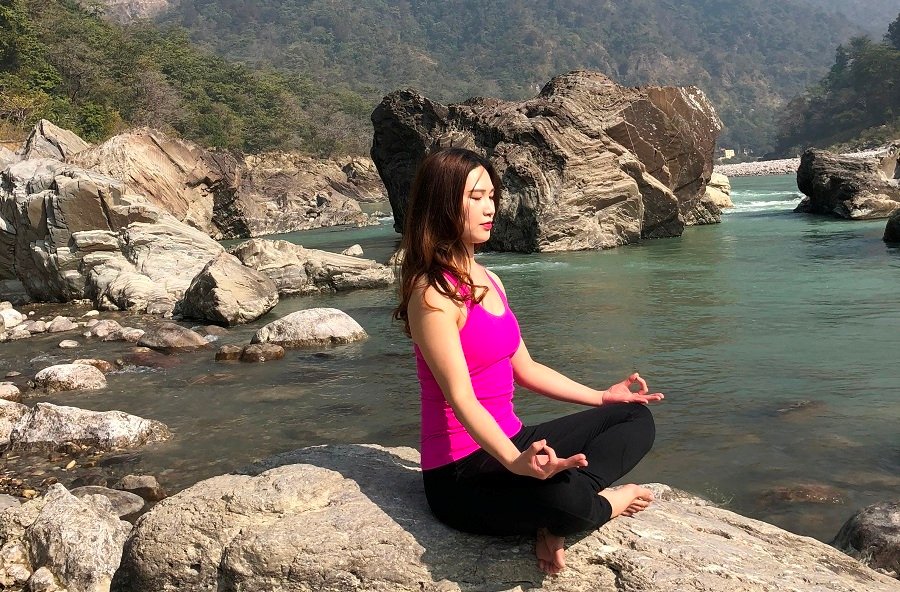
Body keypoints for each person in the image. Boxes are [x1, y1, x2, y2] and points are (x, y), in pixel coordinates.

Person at [394, 147, 664, 575]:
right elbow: (461, 398)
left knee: (634, 420)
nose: (490, 207)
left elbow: (526, 369)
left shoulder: (491, 279)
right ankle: (594, 506)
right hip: (461, 474)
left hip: (514, 438)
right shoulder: (432, 294)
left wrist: (601, 398)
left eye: (491, 196)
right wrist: (515, 463)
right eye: (476, 197)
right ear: (443, 204)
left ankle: (554, 514)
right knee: (561, 499)